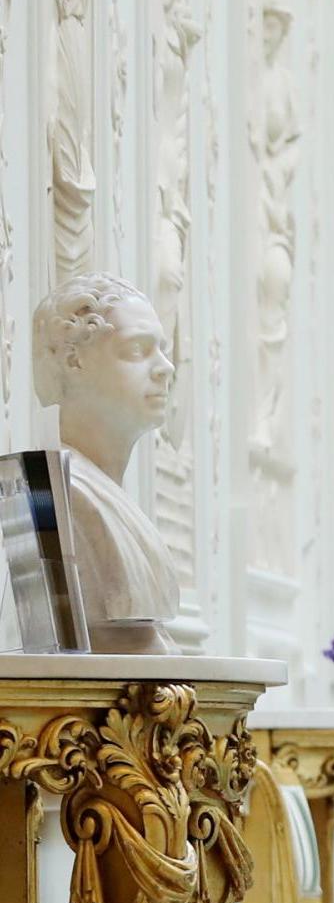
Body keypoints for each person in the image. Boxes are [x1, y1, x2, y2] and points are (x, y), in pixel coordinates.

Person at [30, 272, 180, 651]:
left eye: (162, 349)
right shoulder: (67, 493)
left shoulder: (107, 494)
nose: (166, 368)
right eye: (136, 350)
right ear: (73, 360)